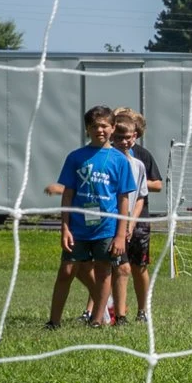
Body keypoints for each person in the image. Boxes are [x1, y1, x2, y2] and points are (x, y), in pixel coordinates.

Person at [44, 105, 140, 328]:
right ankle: (53, 321)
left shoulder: (119, 160)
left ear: (113, 128)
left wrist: (120, 235)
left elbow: (123, 200)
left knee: (104, 271)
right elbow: (68, 194)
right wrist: (65, 228)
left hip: (106, 228)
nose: (100, 130)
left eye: (105, 125)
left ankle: (97, 320)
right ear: (87, 129)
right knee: (67, 271)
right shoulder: (76, 157)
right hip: (78, 227)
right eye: (95, 126)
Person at [111, 107, 164, 325]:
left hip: (139, 218)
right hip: (113, 218)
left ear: (136, 133)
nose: (125, 140)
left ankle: (143, 310)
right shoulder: (109, 154)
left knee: (138, 266)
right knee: (116, 267)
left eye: (129, 135)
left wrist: (134, 183)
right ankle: (115, 313)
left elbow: (157, 184)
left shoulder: (141, 158)